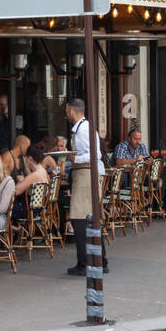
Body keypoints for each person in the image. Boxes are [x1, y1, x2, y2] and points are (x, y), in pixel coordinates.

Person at [64, 98, 108, 277]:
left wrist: (74, 158)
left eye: (67, 110)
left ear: (72, 111)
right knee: (91, 218)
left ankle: (85, 262)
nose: (66, 114)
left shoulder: (83, 129)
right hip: (86, 173)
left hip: (86, 173)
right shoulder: (83, 128)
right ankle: (99, 260)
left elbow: (95, 154)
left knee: (79, 218)